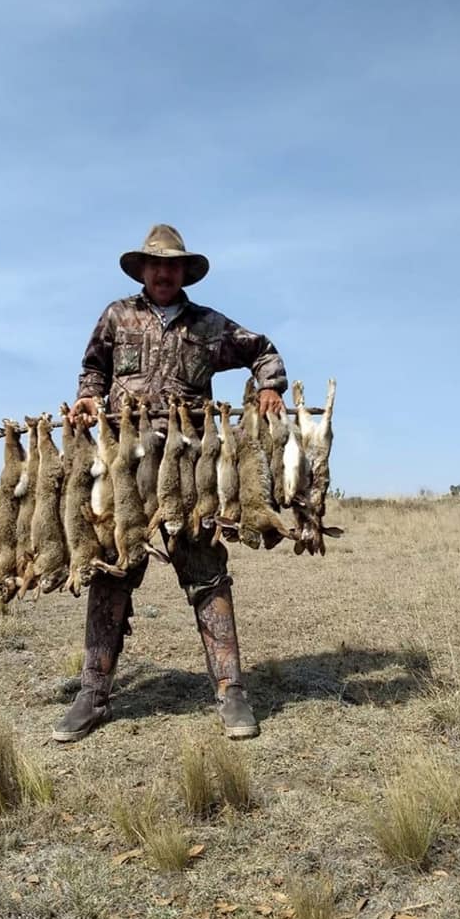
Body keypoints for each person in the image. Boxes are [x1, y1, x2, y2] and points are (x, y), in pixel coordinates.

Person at [51, 224, 288, 743]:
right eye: (155, 265)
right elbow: (92, 369)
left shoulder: (209, 325)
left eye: (173, 265)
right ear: (143, 270)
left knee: (205, 570)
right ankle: (93, 693)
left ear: (184, 272)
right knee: (112, 570)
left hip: (190, 465)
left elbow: (263, 349)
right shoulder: (117, 315)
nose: (164, 272)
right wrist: (89, 398)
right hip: (124, 466)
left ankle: (231, 692)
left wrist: (269, 387)